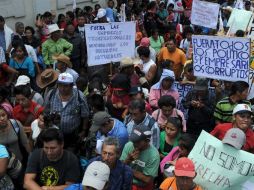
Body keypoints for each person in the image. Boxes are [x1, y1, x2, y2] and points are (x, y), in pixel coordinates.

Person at [44, 72, 89, 150]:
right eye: (60, 85)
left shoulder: (79, 96)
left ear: (71, 85)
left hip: (72, 136)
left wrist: (84, 131)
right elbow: (46, 111)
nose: (62, 88)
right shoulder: (52, 94)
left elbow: (85, 115)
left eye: (65, 86)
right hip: (54, 135)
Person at [120, 124, 160, 190]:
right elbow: (119, 167)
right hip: (126, 181)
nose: (134, 143)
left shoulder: (154, 155)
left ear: (147, 141)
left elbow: (147, 179)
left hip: (142, 186)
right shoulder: (129, 145)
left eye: (138, 142)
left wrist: (128, 169)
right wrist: (128, 159)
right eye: (133, 140)